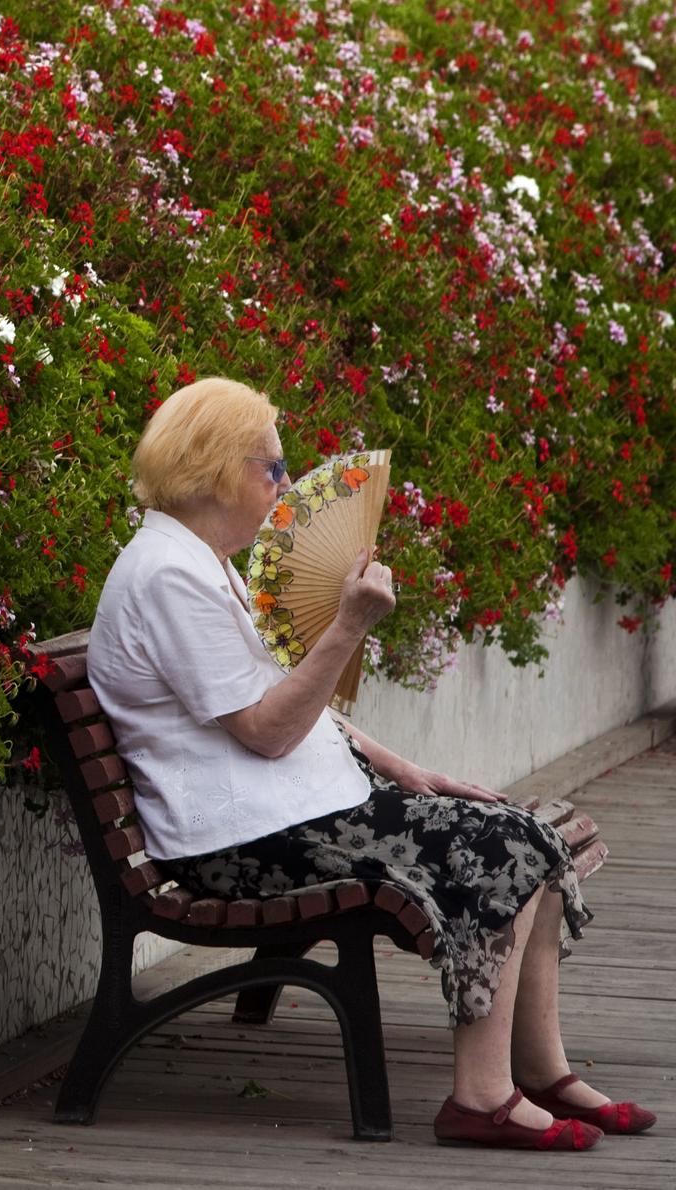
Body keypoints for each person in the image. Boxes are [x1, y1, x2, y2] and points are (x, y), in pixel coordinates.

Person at [86, 377, 655, 1149]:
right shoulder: (168, 576)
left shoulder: (198, 561)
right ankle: (481, 1098)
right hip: (240, 846)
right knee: (501, 847)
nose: (284, 486)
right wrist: (350, 623)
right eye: (272, 468)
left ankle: (537, 1070)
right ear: (221, 470)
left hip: (285, 814)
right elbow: (265, 730)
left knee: (521, 831)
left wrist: (402, 767)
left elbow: (281, 709)